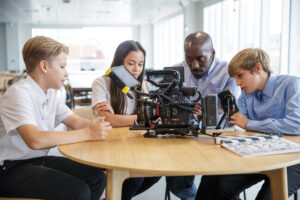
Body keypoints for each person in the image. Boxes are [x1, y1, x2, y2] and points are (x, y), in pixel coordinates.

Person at [0, 36, 112, 200]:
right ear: (44, 66)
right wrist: (88, 133)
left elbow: (75, 121)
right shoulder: (19, 93)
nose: (66, 74)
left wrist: (99, 124)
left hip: (36, 159)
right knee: (78, 192)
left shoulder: (50, 94)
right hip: (9, 168)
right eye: (62, 67)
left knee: (97, 178)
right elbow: (35, 140)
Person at [196, 48, 300, 200]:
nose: (237, 83)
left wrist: (251, 124)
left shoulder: (292, 85)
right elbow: (235, 121)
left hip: (293, 159)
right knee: (215, 184)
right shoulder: (246, 94)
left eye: (240, 76)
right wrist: (207, 117)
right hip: (261, 152)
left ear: (258, 68)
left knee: (266, 198)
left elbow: (296, 124)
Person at [166, 31, 241, 200]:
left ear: (212, 53)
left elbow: (230, 108)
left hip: (219, 139)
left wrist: (210, 110)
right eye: (189, 58)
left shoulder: (229, 72)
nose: (194, 65)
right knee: (177, 185)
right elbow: (170, 106)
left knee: (220, 188)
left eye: (200, 58)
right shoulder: (177, 72)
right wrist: (184, 108)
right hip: (185, 139)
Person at [92, 40, 160, 200]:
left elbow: (151, 116)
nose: (137, 69)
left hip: (134, 144)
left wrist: (119, 118)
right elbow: (108, 120)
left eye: (140, 64)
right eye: (131, 63)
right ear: (119, 63)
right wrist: (141, 117)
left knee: (156, 173)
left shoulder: (140, 86)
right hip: (108, 144)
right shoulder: (102, 83)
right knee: (135, 177)